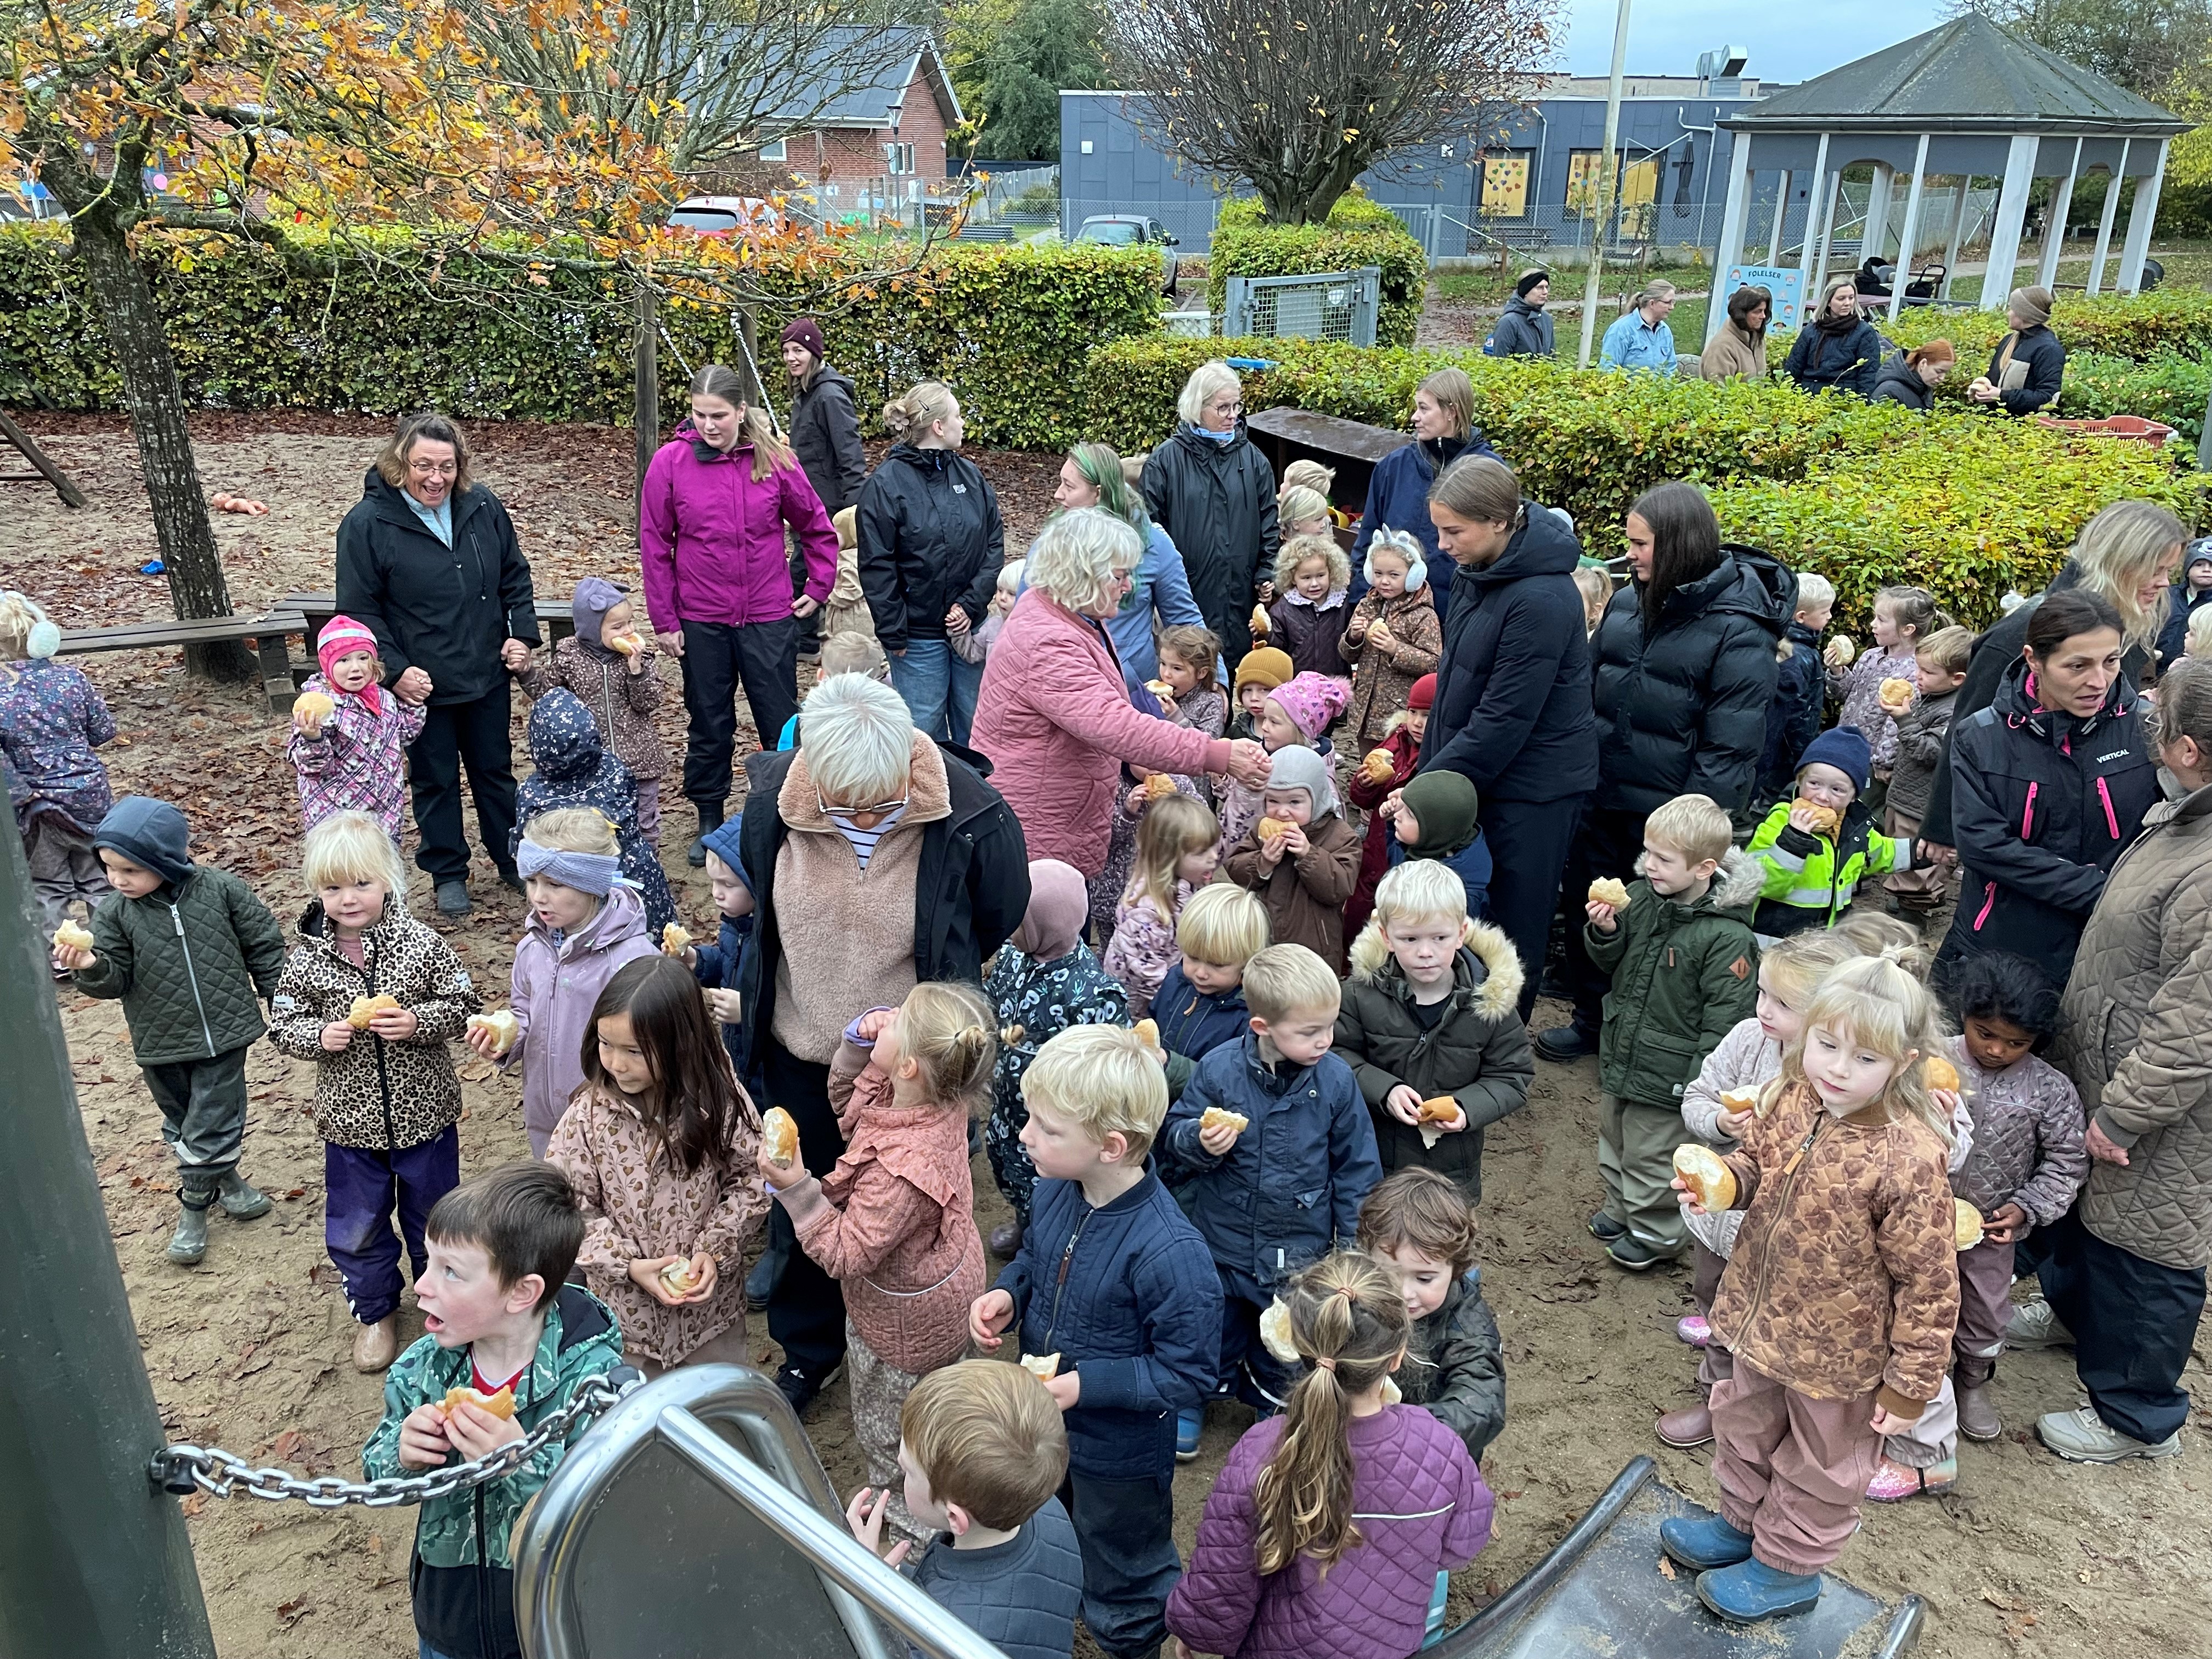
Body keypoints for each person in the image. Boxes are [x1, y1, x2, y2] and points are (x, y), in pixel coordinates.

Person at [737, 672, 1029, 1413]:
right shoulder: (773, 799)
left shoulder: (973, 814)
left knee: (895, 1211)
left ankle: (898, 1335)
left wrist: (918, 1026)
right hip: (801, 1046)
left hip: (908, 1071)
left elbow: (997, 912)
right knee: (805, 1193)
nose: (865, 818)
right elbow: (760, 908)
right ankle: (809, 1350)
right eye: (845, 806)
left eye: (883, 804)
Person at [1662, 957, 1959, 1624]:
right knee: (1744, 1425)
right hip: (1762, 1321)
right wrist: (1726, 1183)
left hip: (1841, 1358)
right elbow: (1759, 1164)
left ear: (1904, 1063)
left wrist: (1910, 1385)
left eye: (1865, 1058)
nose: (1838, 1069)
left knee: (1823, 1464)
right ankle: (1740, 1527)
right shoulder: (1795, 1098)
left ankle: (1787, 1568)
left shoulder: (1909, 1157)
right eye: (1827, 1044)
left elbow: (1930, 1284)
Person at [969, 1025, 1222, 1659]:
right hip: (1046, 1426)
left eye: (1047, 1128)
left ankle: (1135, 1638)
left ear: (1111, 1147)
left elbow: (1188, 1373)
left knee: (1122, 1558)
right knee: (1049, 1518)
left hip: (1121, 1454)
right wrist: (1010, 1293)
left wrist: (1086, 1386)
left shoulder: (1172, 1252)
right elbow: (1036, 1257)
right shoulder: (1055, 1190)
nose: (1025, 1135)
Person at [2029, 654, 2212, 1462]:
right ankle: (2072, 1317)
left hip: (2161, 1103)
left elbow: (2196, 1020)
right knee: (2092, 1218)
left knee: (2148, 1250)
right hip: (2108, 1064)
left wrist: (2129, 1112)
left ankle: (2137, 1416)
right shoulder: (2188, 819)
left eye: (2158, 721)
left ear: (2188, 750)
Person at [1543, 481, 1788, 1062]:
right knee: (1594, 907)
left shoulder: (1739, 627)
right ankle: (1591, 1018)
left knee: (1657, 929)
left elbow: (1732, 744)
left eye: (1641, 544)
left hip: (1667, 816)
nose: (1629, 554)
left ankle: (1641, 1044)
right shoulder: (1628, 603)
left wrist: (1691, 828)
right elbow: (1587, 689)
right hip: (1601, 793)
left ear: (1677, 545)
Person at [1164, 1252, 1492, 1659]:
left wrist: (1198, 1636)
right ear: (1397, 1356)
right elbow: (1461, 1545)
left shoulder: (1262, 1450)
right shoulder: (1440, 1447)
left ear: (1297, 1346)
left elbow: (1225, 1577)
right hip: (1390, 1647)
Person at [362, 1163, 621, 1659]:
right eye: (429, 1262)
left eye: (451, 1272)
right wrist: (401, 1453)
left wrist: (521, 1462)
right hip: (449, 1616)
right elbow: (377, 1475)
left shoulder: (592, 1382)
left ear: (521, 1293)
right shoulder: (424, 1366)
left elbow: (607, 1515)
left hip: (552, 1620)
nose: (421, 1285)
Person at [765, 984, 991, 1546]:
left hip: (904, 1325)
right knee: (937, 1406)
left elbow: (847, 1253)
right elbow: (851, 1108)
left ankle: (909, 1527)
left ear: (909, 1065)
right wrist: (856, 1047)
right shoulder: (930, 1098)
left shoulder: (900, 1174)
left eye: (897, 1019)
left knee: (894, 1428)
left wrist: (798, 1191)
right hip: (940, 1283)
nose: (883, 1017)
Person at [267, 811, 479, 1371]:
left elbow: (464, 1004)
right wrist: (318, 1036)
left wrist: (418, 1021)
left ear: (389, 880)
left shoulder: (422, 945)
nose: (348, 898)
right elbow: (282, 1023)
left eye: (361, 883)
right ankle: (376, 1311)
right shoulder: (307, 959)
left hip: (425, 1116)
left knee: (436, 1219)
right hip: (349, 1123)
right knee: (357, 1227)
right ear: (317, 891)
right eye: (333, 887)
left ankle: (446, 1307)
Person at [52, 794, 285, 1267]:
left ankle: (194, 1208)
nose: (117, 879)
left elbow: (264, 944)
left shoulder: (222, 890)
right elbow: (114, 981)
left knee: (212, 1120)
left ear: (165, 860)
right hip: (160, 1042)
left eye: (129, 869)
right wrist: (91, 965)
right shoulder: (114, 913)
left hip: (225, 1033)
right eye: (108, 868)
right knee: (183, 1121)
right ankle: (231, 1185)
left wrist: (281, 1000)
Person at [971, 506, 1267, 876]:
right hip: (1038, 824)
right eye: (1119, 576)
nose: (1128, 587)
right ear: (1084, 574)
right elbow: (1116, 725)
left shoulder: (1064, 613)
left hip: (1051, 813)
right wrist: (1217, 754)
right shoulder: (1049, 642)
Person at [1658, 930, 1864, 1452]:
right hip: (1719, 1219)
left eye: (1784, 1003)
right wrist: (1720, 1123)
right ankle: (1715, 1397)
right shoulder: (1749, 1038)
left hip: (1787, 1239)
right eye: (1762, 993)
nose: (1764, 1009)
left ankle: (1747, 1411)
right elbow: (1698, 1096)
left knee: (1766, 1326)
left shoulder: (1842, 1076)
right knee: (1715, 1300)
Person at [1163, 943, 1383, 1423]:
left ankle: (1275, 1408)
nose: (1325, 1040)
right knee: (1213, 1326)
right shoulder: (1219, 1069)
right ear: (1262, 1027)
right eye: (1310, 1032)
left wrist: (1352, 1249)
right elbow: (1175, 1132)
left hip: (1298, 1248)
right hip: (1223, 1240)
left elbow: (1357, 1169)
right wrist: (1200, 1141)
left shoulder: (1336, 1082)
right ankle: (1197, 1398)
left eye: (1330, 1026)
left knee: (1285, 1339)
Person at [1412, 458, 1596, 1020]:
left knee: (1513, 927)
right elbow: (1457, 686)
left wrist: (1426, 790)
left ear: (1498, 522)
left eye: (1454, 531)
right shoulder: (1478, 570)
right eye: (1439, 530)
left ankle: (1501, 1045)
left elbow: (1505, 717)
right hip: (1483, 771)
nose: (1443, 546)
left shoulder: (1542, 600)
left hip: (1534, 790)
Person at [336, 411, 539, 916]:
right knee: (435, 779)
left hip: (485, 670)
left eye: (446, 467)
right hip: (421, 683)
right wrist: (394, 670)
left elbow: (514, 575)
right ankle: (448, 872)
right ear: (400, 462)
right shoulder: (367, 524)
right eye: (424, 465)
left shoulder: (483, 506)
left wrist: (520, 635)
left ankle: (511, 858)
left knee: (496, 772)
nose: (435, 478)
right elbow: (359, 610)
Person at [642, 364, 839, 864]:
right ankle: (709, 814)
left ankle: (784, 813)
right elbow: (655, 543)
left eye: (719, 416)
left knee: (779, 720)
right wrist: (665, 619)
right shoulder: (670, 463)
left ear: (741, 411)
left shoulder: (775, 460)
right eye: (700, 415)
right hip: (702, 617)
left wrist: (819, 585)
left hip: (768, 615)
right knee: (709, 720)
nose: (709, 425)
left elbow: (816, 526)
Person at [544, 956, 763, 1376]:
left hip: (709, 1321)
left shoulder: (718, 1101)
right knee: (636, 1411)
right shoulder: (587, 1117)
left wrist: (715, 1249)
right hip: (625, 1325)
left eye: (634, 1051)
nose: (616, 1063)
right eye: (606, 1044)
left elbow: (752, 1177)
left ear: (681, 1044)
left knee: (714, 1406)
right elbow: (566, 1205)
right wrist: (626, 1265)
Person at [1923, 499, 2187, 849]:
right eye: (2156, 570)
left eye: (2169, 571)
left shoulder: (2123, 628)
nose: (2165, 583)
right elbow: (1968, 731)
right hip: (2023, 828)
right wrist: (1942, 832)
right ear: (2120, 561)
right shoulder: (2019, 636)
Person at [1938, 589, 2159, 990]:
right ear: (2033, 660)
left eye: (2111, 661)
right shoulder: (1980, 736)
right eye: (2077, 666)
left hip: (2111, 949)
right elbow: (1983, 845)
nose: (2099, 682)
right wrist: (2102, 892)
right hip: (2003, 947)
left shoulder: (2149, 730)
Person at [1583, 793, 1763, 1271]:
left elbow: (1724, 1021)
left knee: (1654, 1155)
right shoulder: (1642, 897)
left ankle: (1658, 1232)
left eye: (1663, 859)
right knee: (1615, 1138)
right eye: (1648, 852)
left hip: (1673, 1072)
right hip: (1626, 1048)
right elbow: (1611, 964)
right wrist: (1605, 933)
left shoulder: (1727, 938)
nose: (1649, 865)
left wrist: (1701, 1083)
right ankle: (1622, 1209)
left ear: (1704, 868)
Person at [1936, 953, 2086, 1444]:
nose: (1997, 1049)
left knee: (1985, 1308)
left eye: (2016, 1043)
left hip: (1990, 1227)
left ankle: (1972, 1379)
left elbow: (2068, 1159)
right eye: (1985, 1033)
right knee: (1907, 1300)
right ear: (1964, 1015)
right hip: (1916, 1218)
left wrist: (2029, 1207)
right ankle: (1908, 1381)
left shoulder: (2049, 1089)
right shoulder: (1930, 1062)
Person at [843, 1360, 1083, 1659]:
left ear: (955, 1518)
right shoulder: (1048, 1511)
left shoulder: (938, 1638)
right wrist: (895, 1576)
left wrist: (869, 1594)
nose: (901, 1473)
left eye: (908, 1472)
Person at [1336, 859, 1531, 1200]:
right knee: (1378, 1229)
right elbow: (1337, 1053)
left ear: (1461, 933)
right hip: (1376, 1158)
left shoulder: (1491, 1001)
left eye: (1439, 938)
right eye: (1409, 938)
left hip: (1451, 1169)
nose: (1425, 952)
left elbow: (1512, 1076)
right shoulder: (1360, 994)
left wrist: (1466, 1108)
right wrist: (1384, 1090)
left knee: (1446, 1233)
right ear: (1386, 937)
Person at [476, 809, 657, 1157]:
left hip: (612, 1119)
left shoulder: (633, 961)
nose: (538, 896)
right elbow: (524, 1013)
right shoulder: (533, 948)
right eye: (532, 881)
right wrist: (507, 1042)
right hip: (544, 1115)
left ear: (592, 884)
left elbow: (653, 1042)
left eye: (555, 884)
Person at [984, 860, 1131, 1257]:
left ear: (1047, 924)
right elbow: (992, 1003)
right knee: (1009, 1171)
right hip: (1007, 1110)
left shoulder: (1092, 995)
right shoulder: (1013, 957)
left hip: (1056, 1124)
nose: (1008, 928)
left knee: (1051, 1190)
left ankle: (1049, 1248)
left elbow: (1106, 1073)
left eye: (1019, 920)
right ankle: (1025, 1223)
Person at [856, 380, 1003, 745]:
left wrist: (971, 604)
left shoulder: (970, 476)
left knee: (976, 730)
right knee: (925, 736)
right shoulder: (886, 485)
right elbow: (877, 565)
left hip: (970, 631)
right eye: (957, 415)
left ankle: (976, 786)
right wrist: (893, 631)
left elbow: (993, 542)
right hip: (918, 638)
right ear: (938, 426)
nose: (963, 423)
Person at [1355, 1169, 1508, 1463]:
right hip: (1362, 1445)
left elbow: (1481, 1405)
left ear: (1456, 1269)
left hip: (1434, 1459)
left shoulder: (1468, 1329)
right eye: (1387, 1274)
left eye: (1424, 1279)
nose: (1403, 1293)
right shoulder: (1360, 1294)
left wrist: (1401, 1433)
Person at [1141, 360, 1280, 669]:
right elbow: (1148, 531)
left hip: (1240, 596)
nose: (1233, 415)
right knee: (1189, 670)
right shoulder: (1165, 462)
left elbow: (1270, 525)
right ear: (1198, 407)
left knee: (1235, 673)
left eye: (1237, 406)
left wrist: (1266, 572)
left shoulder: (1254, 461)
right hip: (1187, 593)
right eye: (1223, 408)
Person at [1038, 441, 1206, 694]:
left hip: (1130, 689)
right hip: (1063, 680)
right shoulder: (1051, 542)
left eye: (1069, 486)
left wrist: (1216, 681)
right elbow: (1027, 612)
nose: (1058, 494)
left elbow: (1184, 620)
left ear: (1098, 494)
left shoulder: (1153, 544)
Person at [1, 589, 115, 945]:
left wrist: (20, 793)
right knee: (100, 878)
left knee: (47, 887)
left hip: (36, 810)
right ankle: (111, 949)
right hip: (89, 799)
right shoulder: (71, 678)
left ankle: (58, 956)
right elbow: (103, 731)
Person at [511, 689, 677, 934]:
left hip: (572, 884)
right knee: (646, 933)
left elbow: (524, 845)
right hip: (633, 870)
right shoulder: (614, 768)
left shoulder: (533, 793)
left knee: (586, 942)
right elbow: (633, 805)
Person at [515, 578, 669, 842]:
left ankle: (648, 863)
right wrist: (526, 672)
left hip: (640, 761)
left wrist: (637, 672)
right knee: (602, 827)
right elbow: (548, 696)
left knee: (644, 823)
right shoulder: (569, 658)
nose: (628, 631)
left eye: (630, 622)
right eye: (618, 626)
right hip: (594, 766)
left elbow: (649, 703)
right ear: (592, 630)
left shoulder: (640, 658)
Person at [1347, 369, 1503, 602]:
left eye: (1424, 408)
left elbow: (1500, 550)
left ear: (1451, 412)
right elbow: (1368, 541)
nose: (1414, 417)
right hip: (1391, 610)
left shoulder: (1489, 471)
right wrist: (1360, 602)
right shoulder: (1393, 466)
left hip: (1459, 608)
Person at [1746, 726, 1914, 939]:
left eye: (1837, 790)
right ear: (1800, 781)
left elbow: (1881, 852)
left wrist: (1920, 851)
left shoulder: (1855, 828)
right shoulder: (1780, 820)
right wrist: (1793, 842)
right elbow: (1760, 883)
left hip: (1825, 940)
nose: (1822, 797)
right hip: (1774, 940)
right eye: (1814, 784)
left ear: (1854, 796)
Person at [284, 613, 429, 840]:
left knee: (382, 859)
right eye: (344, 660)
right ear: (328, 664)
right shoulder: (320, 706)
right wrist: (312, 738)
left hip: (385, 808)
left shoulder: (383, 698)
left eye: (363, 658)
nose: (356, 668)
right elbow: (313, 768)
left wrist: (415, 703)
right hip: (338, 816)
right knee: (344, 862)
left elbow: (404, 733)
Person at [1219, 747, 1362, 969]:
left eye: (1294, 802)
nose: (1282, 812)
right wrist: (1263, 863)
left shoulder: (1341, 836)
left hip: (1314, 950)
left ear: (1318, 799)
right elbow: (1235, 867)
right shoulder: (1260, 828)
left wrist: (1309, 855)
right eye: (1273, 801)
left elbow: (1340, 888)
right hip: (1264, 938)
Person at [782, 318, 868, 658]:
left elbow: (849, 452)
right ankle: (806, 638)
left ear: (814, 353)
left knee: (805, 569)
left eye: (798, 350)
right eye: (787, 351)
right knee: (805, 566)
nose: (791, 357)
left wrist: (853, 508)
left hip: (829, 503)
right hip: (806, 498)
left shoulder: (829, 395)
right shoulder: (805, 393)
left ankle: (803, 640)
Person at [1102, 793, 1222, 1018]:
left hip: (1169, 985)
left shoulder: (1187, 880)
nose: (1214, 857)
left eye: (1214, 847)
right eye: (1202, 852)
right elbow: (1145, 975)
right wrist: (1185, 1003)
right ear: (1169, 857)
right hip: (1135, 1010)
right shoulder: (1146, 912)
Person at [1883, 625, 1973, 916]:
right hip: (1905, 796)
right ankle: (1905, 896)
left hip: (1921, 804)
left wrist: (1904, 720)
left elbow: (1932, 753)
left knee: (1919, 859)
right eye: (1918, 668)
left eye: (1928, 672)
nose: (1918, 676)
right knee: (1900, 850)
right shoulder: (1931, 697)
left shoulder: (1953, 710)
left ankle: (1916, 909)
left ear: (1958, 679)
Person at [1150, 883, 1271, 1099]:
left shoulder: (1249, 1016)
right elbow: (1153, 1020)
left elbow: (1232, 1085)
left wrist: (1170, 1065)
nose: (1201, 973)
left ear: (1247, 963)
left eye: (1217, 965)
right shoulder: (1177, 980)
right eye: (1193, 957)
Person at [1829, 583, 1948, 800]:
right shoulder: (1871, 656)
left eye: (1881, 620)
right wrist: (1838, 672)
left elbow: (1898, 720)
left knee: (1859, 807)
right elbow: (1848, 696)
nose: (1873, 624)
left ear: (1907, 629)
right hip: (1845, 747)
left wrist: (1884, 762)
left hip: (1870, 761)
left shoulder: (1914, 671)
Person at [1213, 669, 1345, 853]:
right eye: (1265, 719)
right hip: (1258, 846)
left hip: (1297, 853)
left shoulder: (1319, 774)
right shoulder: (1262, 754)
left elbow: (1332, 825)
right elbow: (1242, 797)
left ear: (1301, 730)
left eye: (1274, 722)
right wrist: (1223, 779)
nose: (1265, 727)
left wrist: (1306, 850)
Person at [1344, 672, 1431, 940]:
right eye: (1413, 712)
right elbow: (1361, 800)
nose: (1417, 722)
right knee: (1356, 919)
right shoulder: (1394, 743)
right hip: (1375, 849)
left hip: (1404, 857)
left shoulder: (1437, 756)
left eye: (1427, 715)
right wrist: (1364, 784)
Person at [1339, 527, 1440, 752]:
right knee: (1368, 762)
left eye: (1394, 575)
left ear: (1414, 575)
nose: (1384, 581)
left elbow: (1434, 663)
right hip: (1365, 710)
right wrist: (1353, 638)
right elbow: (1347, 655)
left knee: (1396, 762)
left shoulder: (1423, 615)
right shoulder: (1366, 605)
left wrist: (1396, 649)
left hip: (1398, 713)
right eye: (1378, 573)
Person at [1756, 571, 1833, 809]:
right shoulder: (1798, 656)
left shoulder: (1784, 640)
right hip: (1784, 752)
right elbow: (1797, 711)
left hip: (1775, 748)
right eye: (1825, 612)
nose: (1830, 616)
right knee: (1773, 799)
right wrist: (1804, 753)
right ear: (1801, 617)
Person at [1381, 765, 1492, 922]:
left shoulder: (1463, 892)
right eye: (1402, 807)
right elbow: (1393, 852)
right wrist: (1391, 823)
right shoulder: (1423, 844)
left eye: (1410, 814)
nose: (1398, 815)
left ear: (1435, 828)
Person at [1265, 533, 1354, 681]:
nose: (1314, 584)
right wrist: (1265, 634)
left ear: (1331, 572)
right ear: (1293, 578)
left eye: (1320, 576)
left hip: (1335, 682)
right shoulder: (1284, 609)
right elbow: (1278, 649)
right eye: (1306, 578)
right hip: (1298, 684)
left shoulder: (1342, 604)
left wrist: (1355, 636)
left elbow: (1351, 648)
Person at [1968, 285, 2064, 416]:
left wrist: (2002, 395)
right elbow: (1994, 379)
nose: (2009, 313)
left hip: (2025, 424)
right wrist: (1983, 387)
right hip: (1995, 421)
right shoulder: (2009, 341)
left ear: (2025, 314)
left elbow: (2047, 398)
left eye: (2012, 309)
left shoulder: (2049, 349)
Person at [1781, 279, 1881, 398]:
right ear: (1829, 302)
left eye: (1851, 298)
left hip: (1845, 398)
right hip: (1808, 396)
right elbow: (1793, 370)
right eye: (1841, 299)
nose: (1848, 303)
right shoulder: (1811, 331)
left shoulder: (1864, 332)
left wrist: (1863, 401)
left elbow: (1869, 374)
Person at [1598, 280, 1679, 375]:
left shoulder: (1665, 331)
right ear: (1652, 303)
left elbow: (1670, 368)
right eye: (1668, 302)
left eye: (1673, 302)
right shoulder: (1621, 330)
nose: (1672, 307)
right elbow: (1608, 369)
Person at [2155, 541, 2212, 674]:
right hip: (2153, 669)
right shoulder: (2165, 595)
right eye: (2199, 564)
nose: (2207, 569)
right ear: (2187, 568)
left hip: (2195, 674)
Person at [1698, 285, 1770, 382]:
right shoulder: (1722, 347)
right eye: (1758, 312)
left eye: (1764, 311)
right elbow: (1719, 388)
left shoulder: (1756, 338)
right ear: (1742, 314)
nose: (1763, 316)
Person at [1228, 643, 1293, 742]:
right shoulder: (1235, 733)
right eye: (1248, 690)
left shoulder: (1295, 736)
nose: (1254, 698)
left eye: (1264, 690)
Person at [1485, 269, 1554, 358]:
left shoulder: (1546, 319)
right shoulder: (1508, 322)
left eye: (1546, 287)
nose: (1545, 292)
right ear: (1526, 291)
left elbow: (1552, 356)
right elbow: (1500, 361)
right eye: (1540, 288)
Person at [1871, 340, 1956, 410]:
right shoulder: (1887, 391)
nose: (1942, 378)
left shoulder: (1923, 384)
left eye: (1946, 372)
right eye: (1938, 371)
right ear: (1923, 364)